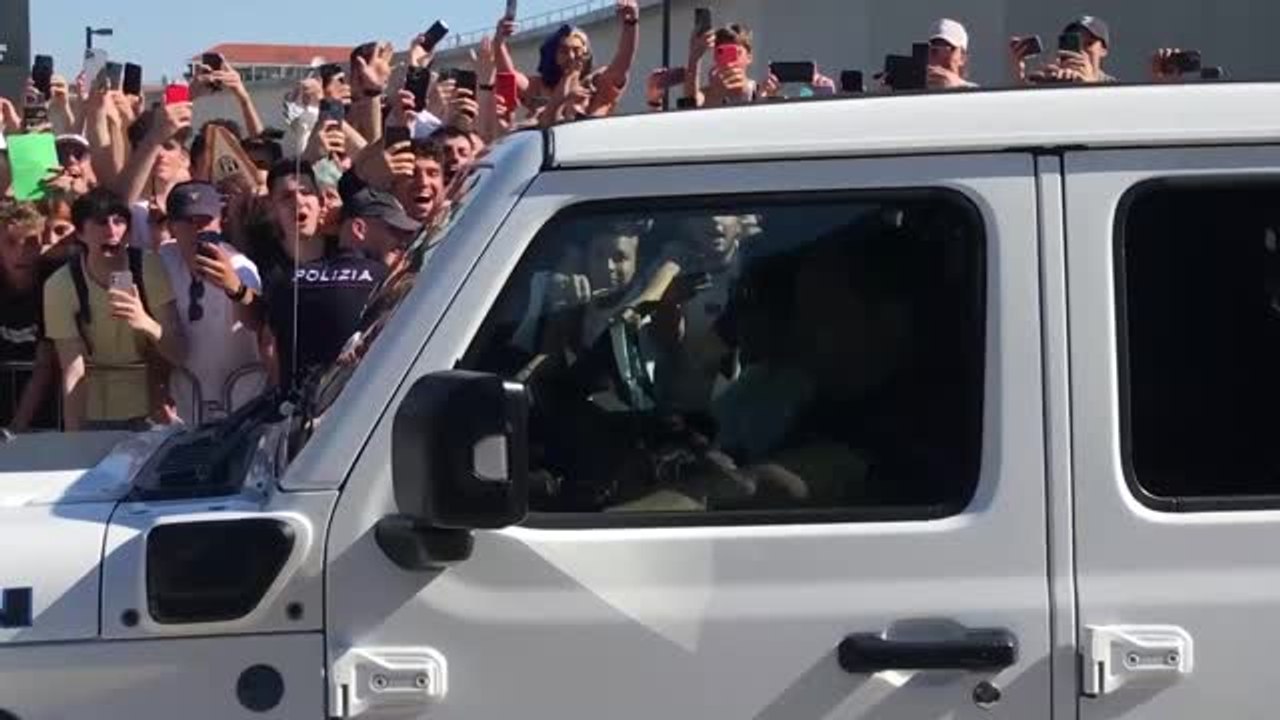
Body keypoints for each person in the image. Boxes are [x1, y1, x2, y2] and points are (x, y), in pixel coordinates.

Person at [44, 188, 186, 431]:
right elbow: (72, 367)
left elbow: (179, 352)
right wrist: (72, 436)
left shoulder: (149, 267)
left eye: (119, 221)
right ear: (79, 232)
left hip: (151, 410)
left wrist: (144, 321)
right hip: (93, 410)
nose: (111, 231)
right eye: (100, 223)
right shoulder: (60, 285)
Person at [253, 162, 386, 392]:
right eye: (286, 197)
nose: (298, 202)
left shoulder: (351, 253)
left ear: (321, 202)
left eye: (306, 192)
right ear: (270, 208)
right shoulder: (264, 266)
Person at [158, 181, 264, 424]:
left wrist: (234, 287)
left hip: (240, 401)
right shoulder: (163, 260)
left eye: (205, 220)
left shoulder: (242, 268)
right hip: (185, 404)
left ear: (220, 221)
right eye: (189, 222)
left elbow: (257, 322)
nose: (198, 230)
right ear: (172, 226)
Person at [497, 0, 640, 123]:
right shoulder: (540, 87)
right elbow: (509, 76)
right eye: (564, 51)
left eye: (577, 50)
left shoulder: (595, 85)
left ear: (586, 53)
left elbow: (622, 63)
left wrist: (631, 23)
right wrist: (499, 41)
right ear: (554, 55)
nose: (572, 56)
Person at [0, 202, 59, 431]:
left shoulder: (53, 282)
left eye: (31, 242)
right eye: (11, 242)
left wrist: (17, 427)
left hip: (45, 411)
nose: (21, 252)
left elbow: (44, 363)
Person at [1019, 15, 1116, 85]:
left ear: (1103, 50)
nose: (1081, 50)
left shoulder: (1112, 87)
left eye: (1089, 44)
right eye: (1075, 44)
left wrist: (1090, 84)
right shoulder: (1055, 75)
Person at [685, 24, 759, 107]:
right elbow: (690, 103)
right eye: (721, 52)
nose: (729, 62)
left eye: (736, 52)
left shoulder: (759, 92)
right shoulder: (707, 95)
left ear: (749, 57)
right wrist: (695, 56)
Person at [927, 19, 979, 90]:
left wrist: (955, 85)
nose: (941, 57)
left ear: (962, 57)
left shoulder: (976, 94)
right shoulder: (913, 94)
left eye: (948, 49)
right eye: (934, 50)